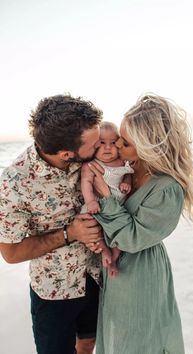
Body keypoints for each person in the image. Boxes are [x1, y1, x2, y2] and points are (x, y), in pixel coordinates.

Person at [87, 93, 193, 354]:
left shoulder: (167, 189)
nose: (116, 146)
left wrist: (104, 194)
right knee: (117, 333)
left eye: (124, 142)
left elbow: (132, 238)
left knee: (140, 336)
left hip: (140, 272)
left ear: (148, 145)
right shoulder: (128, 165)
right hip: (113, 269)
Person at [0, 94, 104, 354]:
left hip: (96, 274)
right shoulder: (14, 184)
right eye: (94, 144)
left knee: (89, 343)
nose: (101, 146)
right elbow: (11, 253)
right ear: (67, 154)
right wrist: (70, 233)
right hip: (54, 291)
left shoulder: (90, 157)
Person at [81, 121, 134, 277]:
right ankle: (105, 252)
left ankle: (114, 259)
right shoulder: (91, 165)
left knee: (119, 234)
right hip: (97, 206)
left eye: (112, 143)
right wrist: (90, 201)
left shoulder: (122, 162)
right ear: (94, 145)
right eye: (102, 143)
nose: (108, 147)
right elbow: (86, 183)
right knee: (94, 230)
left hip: (119, 208)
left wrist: (126, 182)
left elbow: (128, 174)